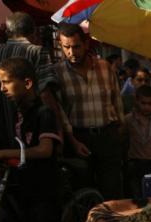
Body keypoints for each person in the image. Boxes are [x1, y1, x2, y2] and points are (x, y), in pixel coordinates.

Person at [0, 57, 61, 222]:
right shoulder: (19, 113)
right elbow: (21, 147)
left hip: (44, 186)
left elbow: (44, 150)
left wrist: (2, 153)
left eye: (6, 82)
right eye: (0, 83)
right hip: (26, 183)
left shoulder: (44, 113)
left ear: (27, 83)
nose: (2, 89)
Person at [53, 23, 124, 199]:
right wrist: (72, 141)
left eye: (76, 46)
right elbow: (59, 112)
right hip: (78, 139)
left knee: (112, 189)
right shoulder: (58, 73)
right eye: (66, 47)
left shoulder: (105, 67)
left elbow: (117, 100)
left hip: (107, 135)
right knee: (83, 191)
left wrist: (120, 129)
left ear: (85, 44)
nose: (71, 52)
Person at [0, 12, 56, 156]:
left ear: (7, 32)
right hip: (35, 130)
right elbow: (45, 93)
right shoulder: (37, 52)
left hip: (3, 130)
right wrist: (58, 131)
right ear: (33, 31)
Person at [122, 85, 151, 198]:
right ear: (136, 101)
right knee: (136, 194)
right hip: (135, 162)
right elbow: (122, 138)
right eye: (143, 103)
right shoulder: (128, 119)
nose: (146, 107)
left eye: (150, 103)